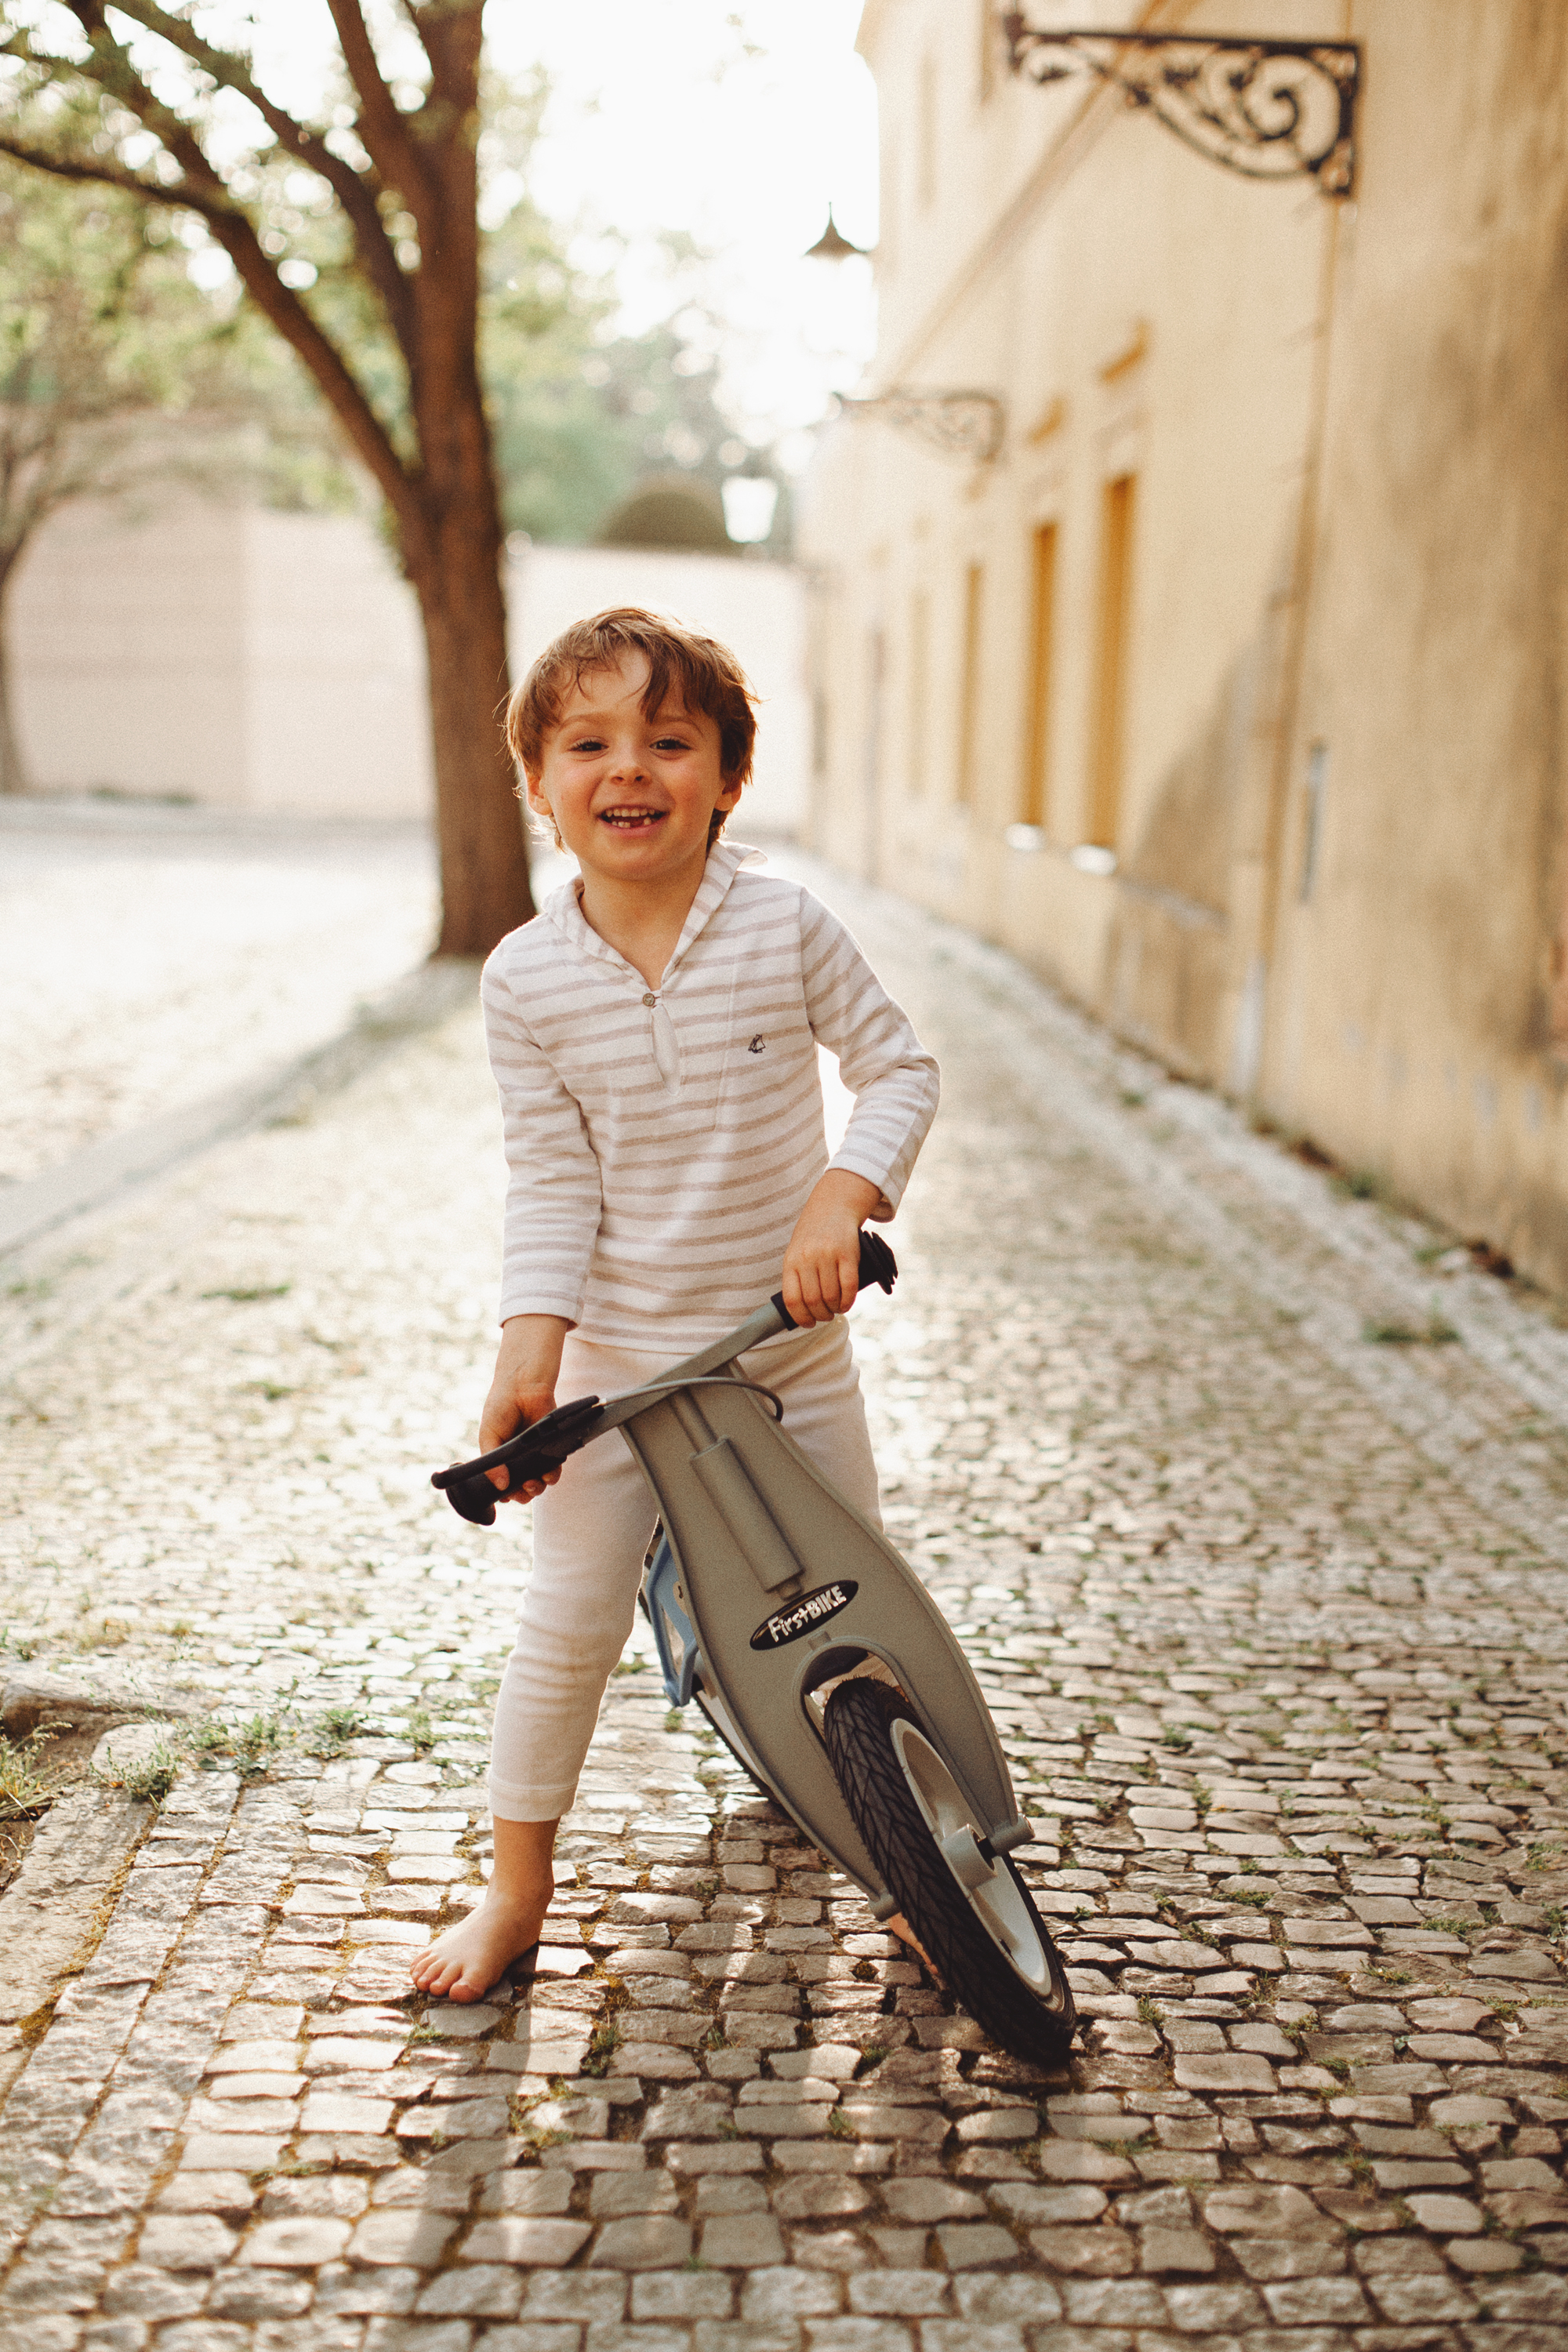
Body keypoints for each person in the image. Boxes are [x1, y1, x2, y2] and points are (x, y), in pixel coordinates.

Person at [412, 607, 938, 2002]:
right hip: (621, 1368)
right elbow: (548, 1179)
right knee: (568, 1623)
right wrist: (530, 1350)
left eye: (668, 740)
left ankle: (925, 1856)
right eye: (588, 743)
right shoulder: (525, 979)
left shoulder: (783, 925)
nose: (628, 769)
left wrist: (843, 1198)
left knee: (859, 1600)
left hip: (786, 1351)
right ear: (539, 784)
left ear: (726, 776)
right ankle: (514, 1891)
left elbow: (899, 1070)